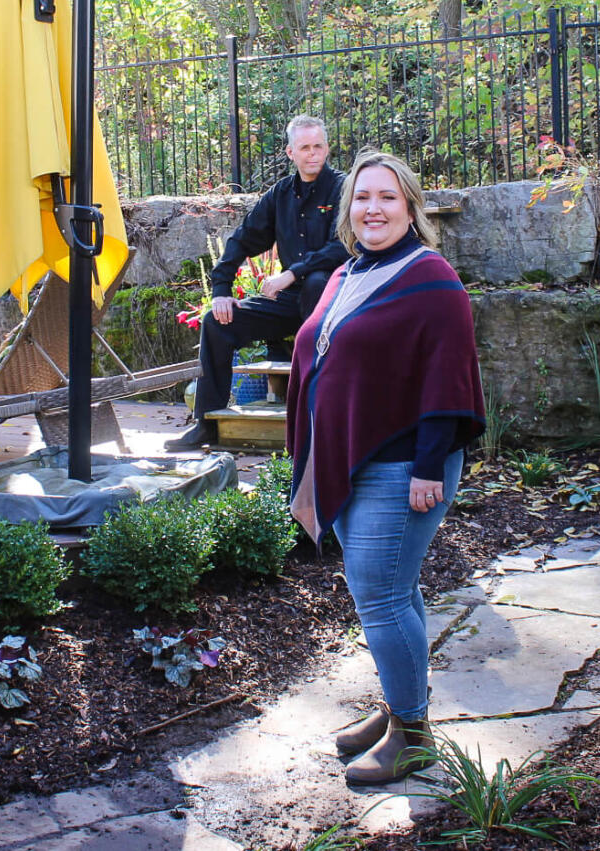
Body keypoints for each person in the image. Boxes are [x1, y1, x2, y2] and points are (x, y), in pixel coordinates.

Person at [286, 149, 486, 786]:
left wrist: (430, 466)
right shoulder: (349, 273)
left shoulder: (432, 280)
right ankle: (402, 706)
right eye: (363, 198)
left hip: (403, 468)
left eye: (388, 198)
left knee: (381, 595)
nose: (374, 208)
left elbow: (447, 378)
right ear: (349, 210)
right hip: (353, 456)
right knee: (395, 593)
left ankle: (414, 736)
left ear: (411, 208)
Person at [165, 114, 347, 450]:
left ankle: (313, 419)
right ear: (290, 152)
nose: (313, 153)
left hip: (332, 301)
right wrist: (220, 291)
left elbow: (343, 246)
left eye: (318, 146)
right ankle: (207, 423)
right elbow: (242, 240)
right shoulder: (279, 194)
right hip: (289, 300)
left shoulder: (344, 188)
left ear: (327, 148)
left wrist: (293, 271)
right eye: (304, 147)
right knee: (216, 323)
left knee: (317, 281)